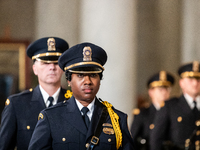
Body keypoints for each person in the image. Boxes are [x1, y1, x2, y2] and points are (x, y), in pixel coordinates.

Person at [28, 42, 135, 150]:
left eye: (93, 75)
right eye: (80, 75)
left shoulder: (116, 119)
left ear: (100, 80)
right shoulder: (51, 117)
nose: (87, 81)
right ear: (69, 80)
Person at [0, 37, 70, 150]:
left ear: (63, 68)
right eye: (45, 63)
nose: (52, 67)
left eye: (56, 62)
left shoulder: (75, 101)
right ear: (34, 69)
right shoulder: (17, 104)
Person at [150, 61, 200, 150]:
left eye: (198, 79)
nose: (195, 83)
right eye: (190, 79)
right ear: (181, 83)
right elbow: (156, 140)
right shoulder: (170, 107)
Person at [130, 71, 175, 150]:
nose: (164, 92)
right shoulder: (143, 114)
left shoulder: (174, 112)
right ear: (151, 92)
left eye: (167, 89)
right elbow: (132, 140)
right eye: (160, 89)